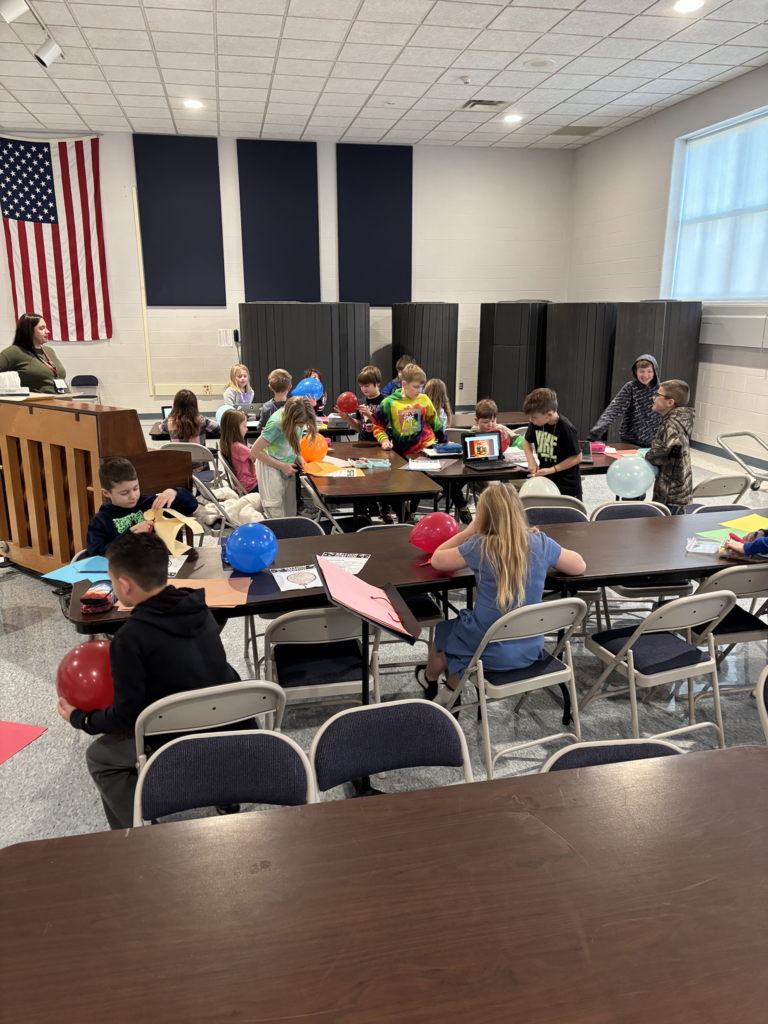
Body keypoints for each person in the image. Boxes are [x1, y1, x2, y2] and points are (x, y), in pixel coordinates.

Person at [56, 531, 241, 830]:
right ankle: (226, 794)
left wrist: (82, 719)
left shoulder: (130, 639)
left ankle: (141, 836)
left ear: (124, 585)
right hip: (231, 725)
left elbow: (127, 714)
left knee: (99, 758)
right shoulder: (201, 607)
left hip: (177, 738)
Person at [415, 484, 586, 704]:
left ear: (484, 516)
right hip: (531, 649)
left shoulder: (480, 545)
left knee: (446, 633)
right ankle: (448, 691)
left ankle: (430, 680)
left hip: (485, 655)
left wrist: (467, 531)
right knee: (463, 633)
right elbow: (579, 566)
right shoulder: (541, 543)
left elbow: (438, 558)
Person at [372, 363, 446, 525]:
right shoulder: (389, 403)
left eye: (421, 387)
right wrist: (384, 440)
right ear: (404, 384)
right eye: (416, 387)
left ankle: (410, 515)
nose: (419, 390)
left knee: (432, 485)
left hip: (427, 452)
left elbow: (435, 423)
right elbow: (377, 426)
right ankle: (403, 517)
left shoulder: (424, 399)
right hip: (403, 455)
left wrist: (445, 442)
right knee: (396, 489)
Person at [86, 456, 198, 556]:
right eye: (124, 493)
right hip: (125, 571)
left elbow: (190, 506)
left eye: (136, 488)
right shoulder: (100, 521)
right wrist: (130, 535)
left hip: (159, 564)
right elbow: (97, 555)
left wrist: (175, 493)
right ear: (106, 493)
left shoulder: (149, 504)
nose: (133, 496)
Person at [333, 364, 396, 524]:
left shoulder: (385, 401)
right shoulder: (360, 402)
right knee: (362, 477)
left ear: (377, 383)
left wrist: (371, 415)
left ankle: (386, 510)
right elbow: (358, 426)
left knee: (383, 478)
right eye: (361, 386)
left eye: (367, 385)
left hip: (381, 445)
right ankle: (362, 511)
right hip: (363, 444)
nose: (364, 389)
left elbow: (387, 425)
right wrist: (346, 418)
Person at [252, 395, 316, 519]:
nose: (302, 425)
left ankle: (290, 538)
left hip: (287, 466)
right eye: (300, 423)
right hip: (271, 467)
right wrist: (281, 466)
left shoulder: (300, 416)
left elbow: (295, 439)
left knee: (290, 510)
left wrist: (297, 455)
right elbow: (255, 451)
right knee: (276, 512)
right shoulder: (276, 423)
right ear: (291, 418)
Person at [522, 387, 583, 500]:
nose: (531, 420)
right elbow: (526, 441)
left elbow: (577, 457)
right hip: (546, 481)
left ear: (549, 415)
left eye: (534, 417)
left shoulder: (566, 428)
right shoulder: (536, 423)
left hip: (567, 485)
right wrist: (531, 460)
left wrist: (551, 470)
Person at [644, 379, 694, 513]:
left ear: (670, 402)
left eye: (658, 395)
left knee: (664, 529)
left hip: (670, 491)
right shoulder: (680, 420)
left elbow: (657, 456)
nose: (653, 398)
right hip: (680, 489)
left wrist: (646, 455)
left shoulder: (670, 424)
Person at [589, 354, 660, 446]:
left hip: (654, 442)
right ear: (635, 371)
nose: (645, 375)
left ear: (655, 371)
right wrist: (597, 431)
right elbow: (614, 409)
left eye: (649, 371)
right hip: (630, 441)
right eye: (641, 371)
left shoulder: (662, 390)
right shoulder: (631, 387)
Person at [0, 312, 69, 395]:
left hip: (65, 405)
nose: (47, 331)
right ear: (29, 331)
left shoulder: (49, 351)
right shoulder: (15, 352)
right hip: (41, 406)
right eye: (42, 328)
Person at [159, 389, 218, 472]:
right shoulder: (202, 420)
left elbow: (161, 429)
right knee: (204, 455)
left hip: (178, 469)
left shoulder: (168, 421)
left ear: (175, 406)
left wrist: (172, 414)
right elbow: (217, 428)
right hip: (200, 469)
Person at [219, 408, 258, 493]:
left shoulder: (230, 445)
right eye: (244, 426)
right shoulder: (238, 447)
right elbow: (257, 457)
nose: (246, 429)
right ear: (234, 428)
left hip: (243, 485)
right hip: (251, 486)